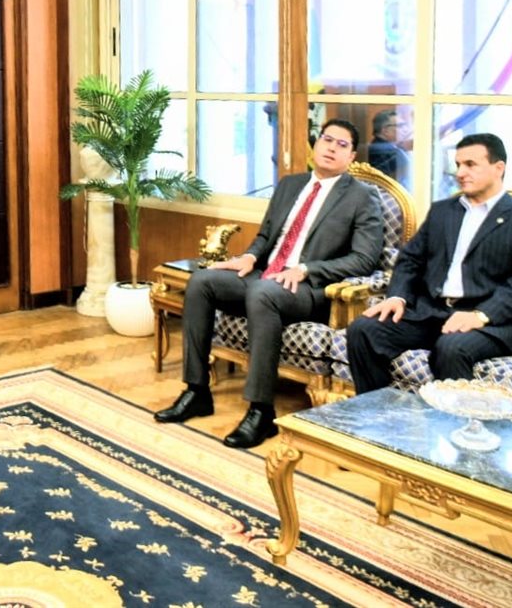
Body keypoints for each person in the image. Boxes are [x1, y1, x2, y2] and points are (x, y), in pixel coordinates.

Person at [154, 119, 384, 448]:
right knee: (202, 281)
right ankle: (196, 391)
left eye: (342, 144)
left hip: (309, 289)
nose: (332, 147)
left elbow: (364, 259)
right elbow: (265, 236)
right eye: (327, 139)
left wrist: (307, 269)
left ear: (352, 157)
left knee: (263, 293)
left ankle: (261, 411)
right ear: (316, 144)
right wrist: (249, 257)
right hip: (266, 275)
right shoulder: (290, 185)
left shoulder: (362, 197)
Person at [347, 133, 512, 393]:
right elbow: (410, 259)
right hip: (431, 312)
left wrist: (481, 315)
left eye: (470, 164)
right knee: (363, 330)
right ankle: (378, 412)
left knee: (451, 347)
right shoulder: (443, 211)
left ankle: (453, 420)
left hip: (491, 323)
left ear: (498, 168)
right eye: (458, 164)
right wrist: (398, 297)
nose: (460, 172)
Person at [368, 109, 411, 185]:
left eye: (405, 125)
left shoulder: (376, 146)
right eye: (400, 126)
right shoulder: (386, 151)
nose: (405, 130)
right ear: (385, 131)